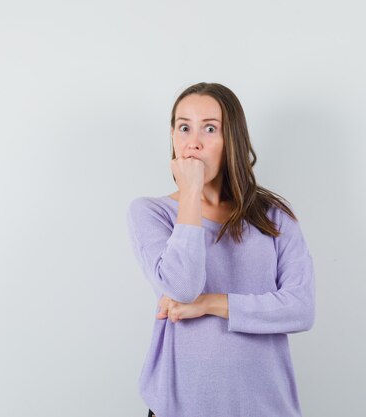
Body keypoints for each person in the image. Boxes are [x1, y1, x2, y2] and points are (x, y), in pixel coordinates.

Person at [126, 82, 316, 417]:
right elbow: (182, 287)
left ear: (233, 140)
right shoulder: (151, 213)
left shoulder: (273, 216)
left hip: (265, 406)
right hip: (181, 407)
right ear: (172, 135)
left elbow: (300, 308)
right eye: (184, 128)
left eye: (209, 129)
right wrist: (190, 194)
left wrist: (211, 304)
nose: (193, 142)